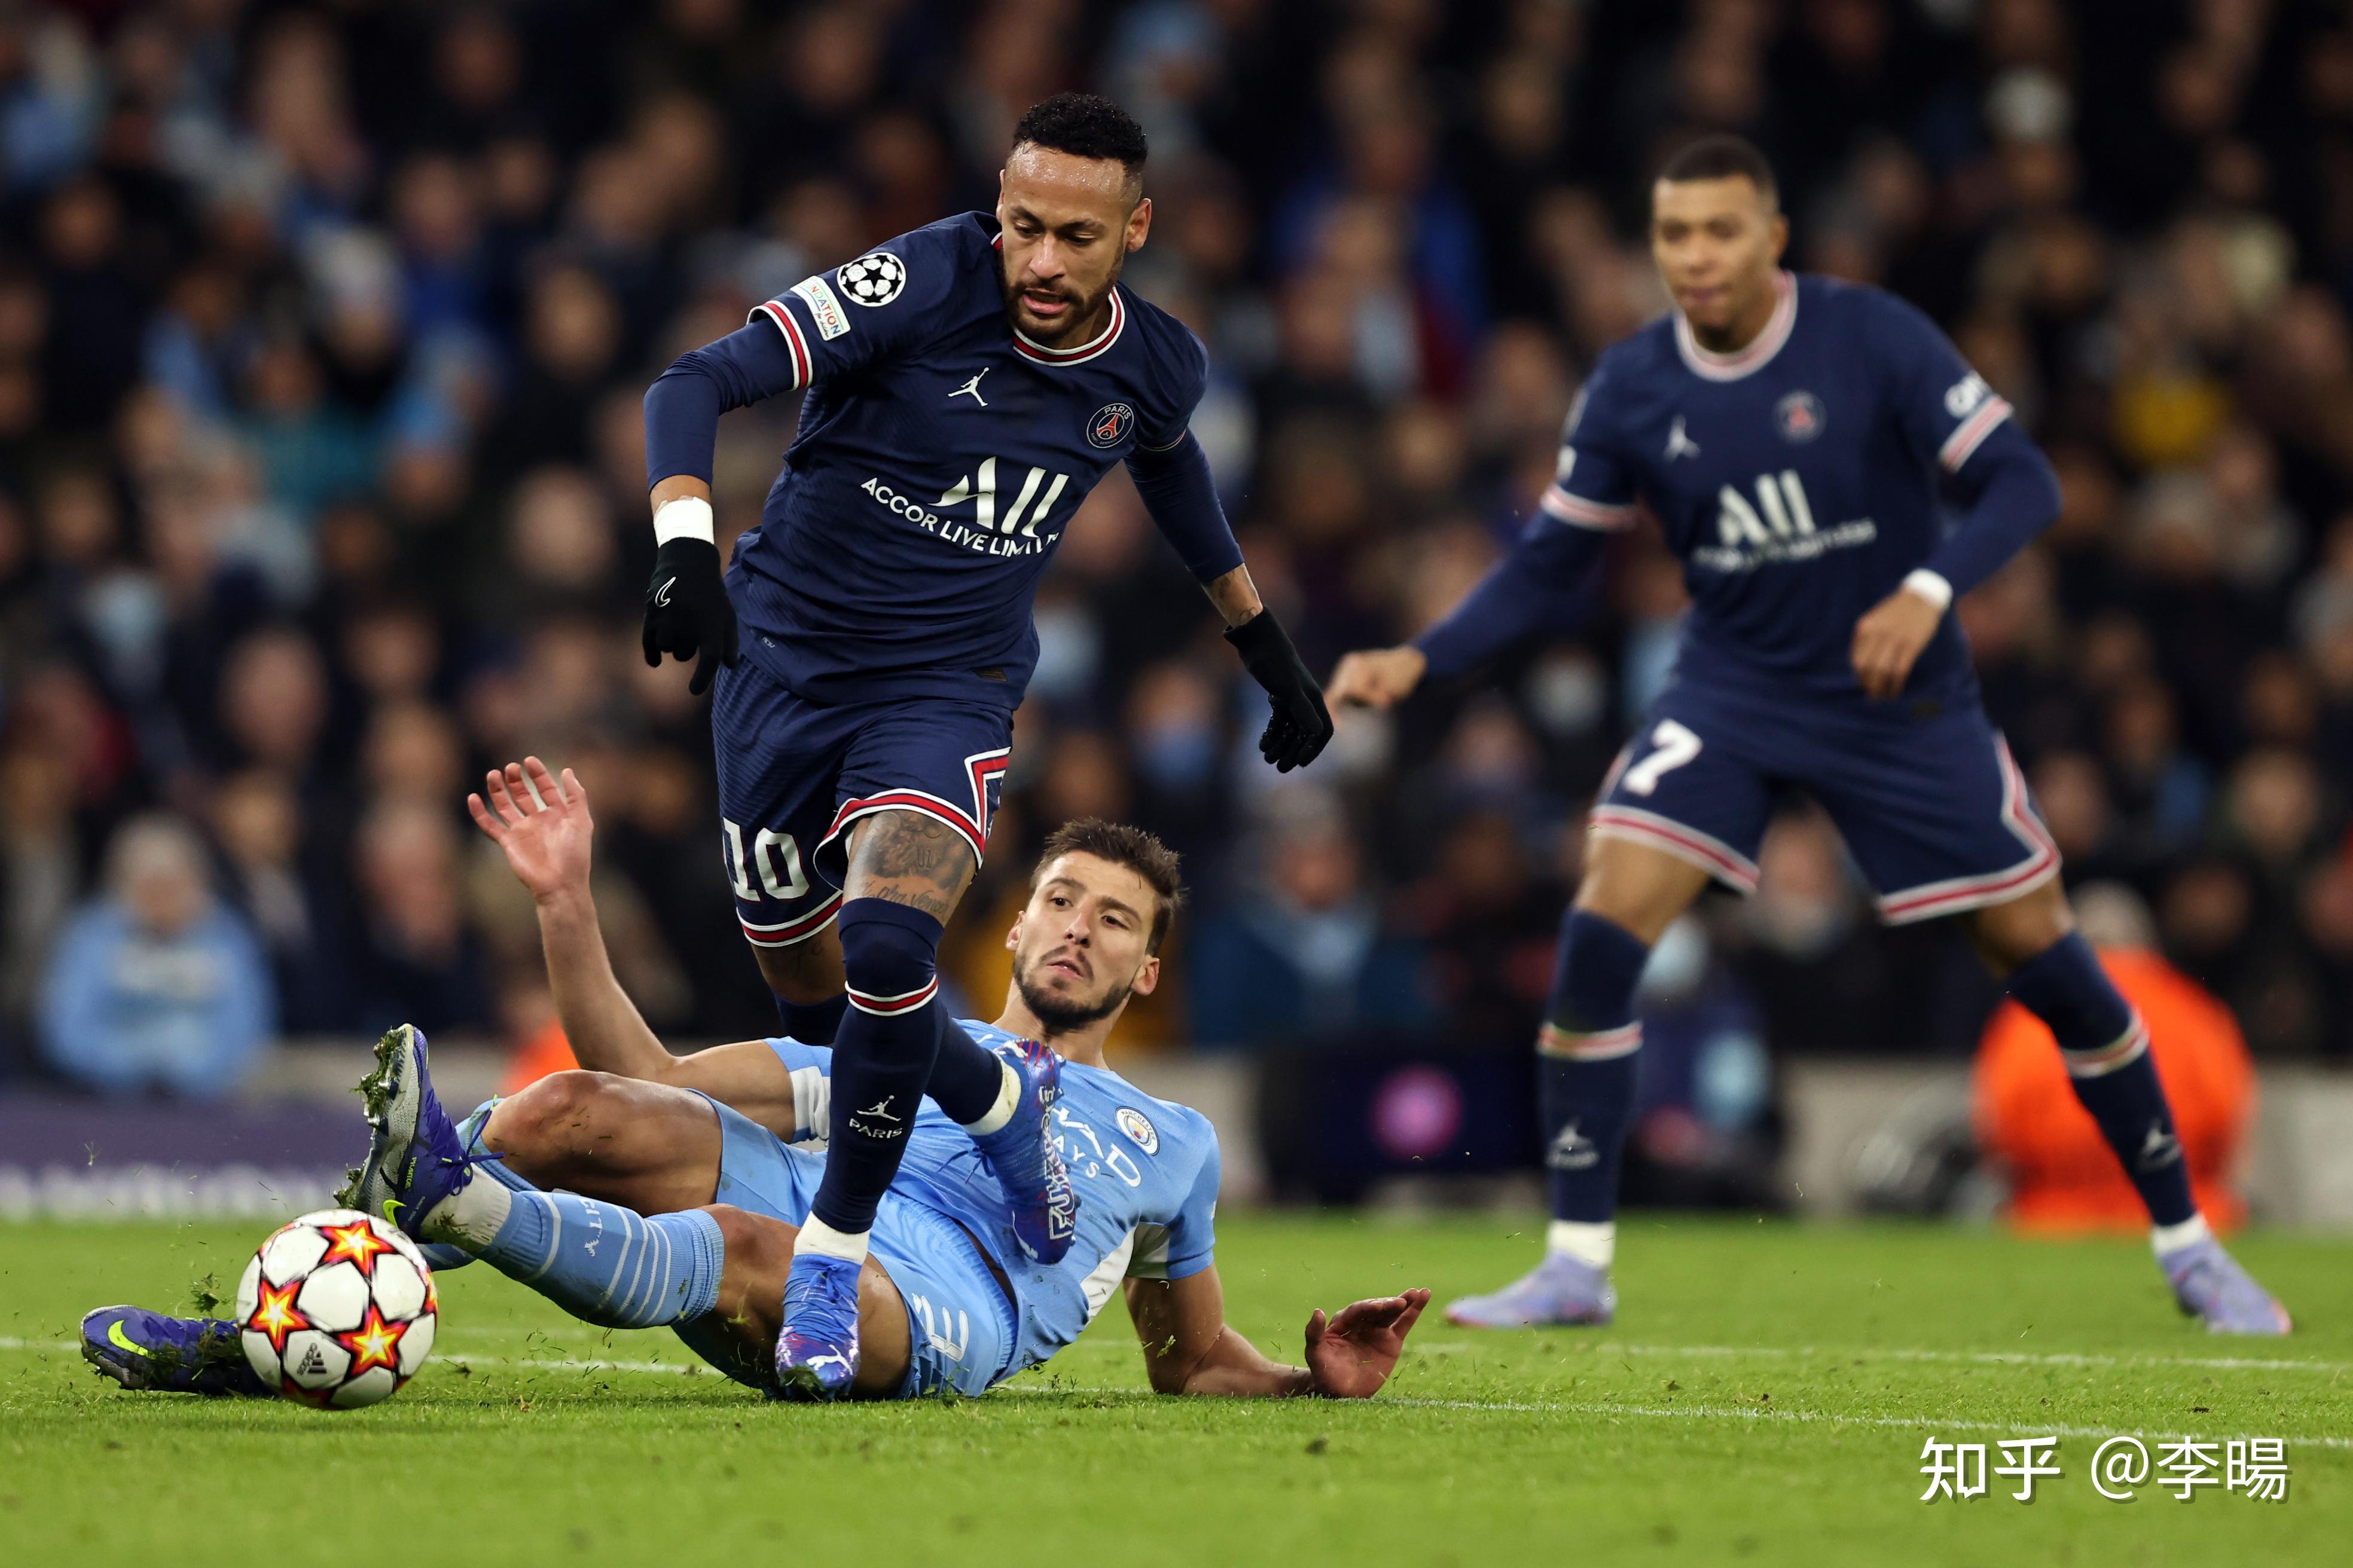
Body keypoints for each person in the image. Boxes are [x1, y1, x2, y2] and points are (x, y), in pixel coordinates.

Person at [1325, 135, 2289, 1335]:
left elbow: (2019, 482)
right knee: (1599, 921)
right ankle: (1575, 1260)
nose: (1693, 256)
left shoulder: (1867, 337)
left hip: (1898, 704)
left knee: (2040, 957)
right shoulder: (1630, 382)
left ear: (1772, 236)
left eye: (1719, 230)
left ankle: (2189, 1245)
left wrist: (1928, 590)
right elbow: (1548, 565)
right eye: (1672, 233)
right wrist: (1424, 654)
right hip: (1730, 688)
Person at [636, 92, 1333, 1394]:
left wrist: (1261, 644)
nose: (1043, 263)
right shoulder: (919, 280)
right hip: (778, 670)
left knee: (892, 946)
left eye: (1077, 235)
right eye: (1021, 227)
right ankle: (1002, 1109)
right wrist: (684, 553)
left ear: (1135, 227)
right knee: (817, 1007)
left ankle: (831, 1268)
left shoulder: (1155, 364)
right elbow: (695, 382)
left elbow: (1172, 473)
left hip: (943, 690)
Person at [83, 757, 1424, 1405]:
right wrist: (563, 903)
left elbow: (1186, 1366)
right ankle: (272, 1327)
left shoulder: (1174, 1141)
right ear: (1008, 930)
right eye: (1058, 899)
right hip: (832, 1195)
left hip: (935, 1300)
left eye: (1113, 919)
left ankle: (452, 1202)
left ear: (1142, 975)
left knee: (742, 1247)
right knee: (566, 1113)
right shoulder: (884, 1050)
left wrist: (1314, 1383)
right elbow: (647, 1080)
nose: (1076, 925)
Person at [1974, 884, 2256, 1234]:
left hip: (2056, 1220)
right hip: (2184, 1212)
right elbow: (2226, 1116)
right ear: (2147, 943)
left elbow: (1999, 1125)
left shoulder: (2027, 1015)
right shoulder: (2196, 1010)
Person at [39, 814, 274, 1101]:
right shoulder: (91, 935)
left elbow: (250, 1028)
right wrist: (132, 1063)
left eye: (173, 884)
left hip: (210, 1104)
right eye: (151, 884)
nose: (162, 897)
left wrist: (193, 1069)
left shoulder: (227, 936)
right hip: (105, 1102)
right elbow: (64, 1030)